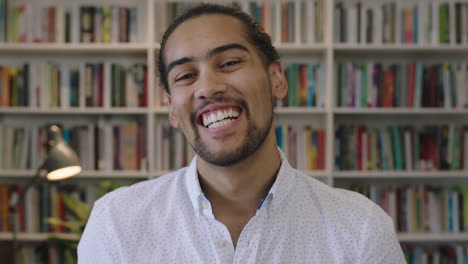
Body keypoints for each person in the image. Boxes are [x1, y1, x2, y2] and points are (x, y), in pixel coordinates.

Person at [78, 3, 405, 263]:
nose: (207, 87)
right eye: (186, 75)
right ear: (171, 109)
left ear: (276, 78)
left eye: (230, 62)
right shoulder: (117, 223)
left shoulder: (360, 227)